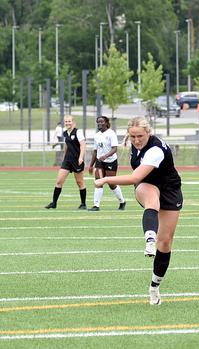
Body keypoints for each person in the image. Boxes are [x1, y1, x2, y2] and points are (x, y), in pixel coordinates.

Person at [94, 116, 183, 305]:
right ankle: (149, 237)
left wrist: (105, 180)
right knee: (152, 200)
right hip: (148, 184)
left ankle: (154, 287)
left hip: (170, 189)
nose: (136, 140)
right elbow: (140, 181)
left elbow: (134, 177)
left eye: (140, 136)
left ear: (148, 133)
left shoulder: (156, 150)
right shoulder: (135, 144)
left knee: (165, 242)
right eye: (132, 136)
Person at [45, 115, 87, 209]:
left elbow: (83, 145)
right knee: (59, 181)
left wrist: (81, 158)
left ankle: (83, 204)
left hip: (77, 161)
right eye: (66, 121)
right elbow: (67, 145)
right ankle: (54, 203)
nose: (68, 123)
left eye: (69, 121)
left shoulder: (78, 132)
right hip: (67, 161)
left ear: (73, 122)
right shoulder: (65, 133)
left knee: (80, 182)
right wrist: (64, 157)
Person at [87, 116, 126, 211]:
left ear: (106, 123)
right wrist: (91, 165)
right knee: (98, 181)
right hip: (100, 162)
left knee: (111, 184)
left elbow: (114, 149)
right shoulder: (97, 135)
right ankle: (96, 206)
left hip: (111, 161)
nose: (99, 123)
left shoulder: (111, 133)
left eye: (101, 122)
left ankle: (122, 201)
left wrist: (105, 156)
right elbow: (95, 151)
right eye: (98, 122)